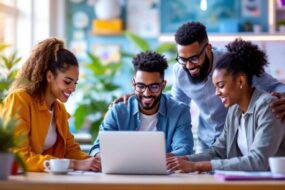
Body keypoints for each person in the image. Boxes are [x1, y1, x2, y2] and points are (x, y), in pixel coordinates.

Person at [112, 22, 285, 152]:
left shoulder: (230, 63)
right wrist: (138, 97)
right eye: (183, 59)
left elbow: (275, 86)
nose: (188, 66)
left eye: (194, 58)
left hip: (239, 138)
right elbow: (174, 106)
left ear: (208, 48)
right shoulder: (180, 72)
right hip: (207, 141)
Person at [166, 39, 285, 173]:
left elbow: (258, 161)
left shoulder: (268, 106)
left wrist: (196, 166)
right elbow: (218, 151)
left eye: (221, 86)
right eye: (215, 87)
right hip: (251, 182)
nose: (217, 93)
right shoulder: (235, 110)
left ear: (240, 81)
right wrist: (182, 159)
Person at [1, 38, 100, 172]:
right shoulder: (20, 99)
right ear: (49, 76)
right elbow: (17, 156)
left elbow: (70, 151)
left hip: (40, 179)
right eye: (67, 81)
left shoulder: (59, 109)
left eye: (75, 83)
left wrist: (96, 162)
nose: (72, 88)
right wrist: (74, 164)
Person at [89, 51, 194, 163]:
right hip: (122, 175)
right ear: (133, 84)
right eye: (141, 86)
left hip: (164, 177)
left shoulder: (179, 112)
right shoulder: (117, 111)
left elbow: (184, 150)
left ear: (163, 85)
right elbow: (97, 148)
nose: (147, 93)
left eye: (154, 87)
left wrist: (141, 161)